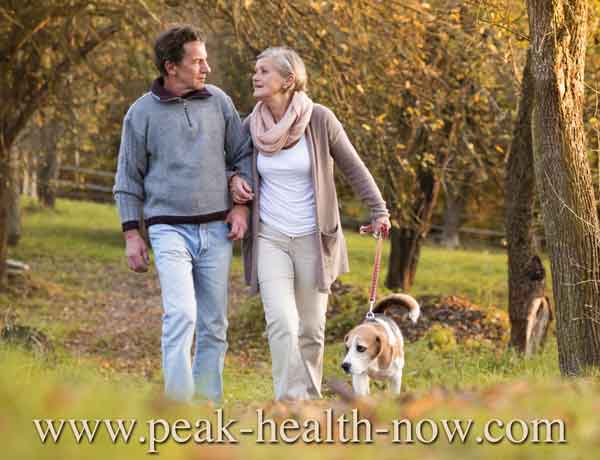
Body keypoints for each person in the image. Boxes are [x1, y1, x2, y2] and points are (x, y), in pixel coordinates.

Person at [231, 47, 390, 401]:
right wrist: (232, 182)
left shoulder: (319, 119)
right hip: (269, 236)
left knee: (312, 329)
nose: (255, 77)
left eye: (264, 71)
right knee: (282, 323)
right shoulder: (250, 126)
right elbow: (230, 163)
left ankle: (310, 398)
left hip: (313, 240)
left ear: (288, 80)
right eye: (255, 70)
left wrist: (378, 210)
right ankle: (290, 401)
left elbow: (353, 166)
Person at [113, 25, 253, 404]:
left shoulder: (219, 102)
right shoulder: (140, 113)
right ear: (171, 67)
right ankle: (177, 406)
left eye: (206, 59)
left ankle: (206, 403)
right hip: (167, 229)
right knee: (182, 315)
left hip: (216, 230)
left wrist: (240, 205)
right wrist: (131, 234)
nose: (206, 67)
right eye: (197, 61)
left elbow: (242, 154)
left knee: (214, 323)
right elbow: (128, 176)